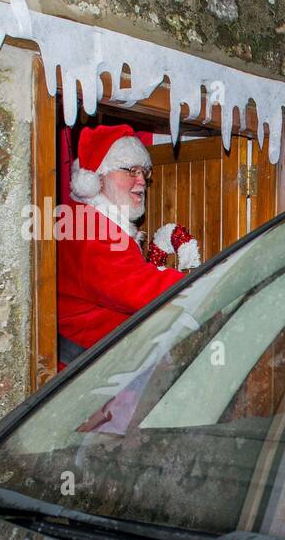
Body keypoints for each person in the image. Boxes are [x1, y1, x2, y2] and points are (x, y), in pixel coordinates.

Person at [56, 124, 202, 366]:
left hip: (94, 369)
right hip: (85, 380)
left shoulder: (87, 219)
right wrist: (211, 281)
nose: (142, 181)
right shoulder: (89, 227)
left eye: (144, 172)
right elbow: (139, 287)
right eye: (131, 171)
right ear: (97, 178)